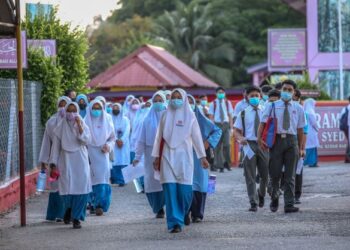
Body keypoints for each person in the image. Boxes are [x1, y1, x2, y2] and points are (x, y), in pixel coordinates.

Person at [152, 88, 209, 233]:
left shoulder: (190, 116)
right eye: (173, 97)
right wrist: (156, 157)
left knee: (185, 192)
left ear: (184, 99)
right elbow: (158, 137)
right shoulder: (165, 115)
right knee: (170, 191)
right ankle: (174, 223)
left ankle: (183, 213)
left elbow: (196, 137)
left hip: (185, 158)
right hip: (166, 157)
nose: (176, 99)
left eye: (179, 97)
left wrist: (202, 156)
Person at [258, 80, 306, 213]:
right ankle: (274, 199)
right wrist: (259, 140)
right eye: (285, 89)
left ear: (294, 92)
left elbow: (301, 129)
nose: (287, 92)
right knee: (275, 174)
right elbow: (262, 123)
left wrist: (301, 148)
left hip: (292, 142)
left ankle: (289, 204)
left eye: (290, 90)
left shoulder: (299, 108)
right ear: (281, 90)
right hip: (276, 142)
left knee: (290, 175)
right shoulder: (272, 106)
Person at [49, 101, 92, 229]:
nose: (71, 113)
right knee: (66, 187)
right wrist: (53, 164)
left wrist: (79, 126)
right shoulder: (60, 128)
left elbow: (86, 140)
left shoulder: (83, 124)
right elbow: (55, 147)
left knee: (82, 187)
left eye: (74, 111)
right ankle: (68, 208)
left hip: (80, 159)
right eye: (69, 111)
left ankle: (77, 218)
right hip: (65, 160)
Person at [233, 86, 268, 212]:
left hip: (263, 145)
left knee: (265, 175)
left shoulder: (266, 111)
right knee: (250, 176)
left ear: (260, 97)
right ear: (246, 97)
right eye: (251, 96)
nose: (254, 98)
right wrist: (240, 138)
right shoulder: (242, 113)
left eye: (256, 96)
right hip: (249, 145)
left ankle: (261, 193)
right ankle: (253, 202)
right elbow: (236, 131)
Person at [187, 95, 221, 223]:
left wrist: (208, 142)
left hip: (199, 156)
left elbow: (217, 131)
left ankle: (198, 213)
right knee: (187, 183)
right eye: (187, 102)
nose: (189, 105)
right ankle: (186, 211)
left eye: (191, 102)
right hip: (183, 156)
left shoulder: (201, 119)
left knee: (200, 184)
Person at [133, 91, 167, 218]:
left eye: (160, 100)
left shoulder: (169, 117)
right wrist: (137, 157)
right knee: (151, 181)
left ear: (164, 102)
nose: (158, 103)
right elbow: (141, 140)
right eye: (155, 101)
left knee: (165, 180)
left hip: (166, 153)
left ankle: (165, 204)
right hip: (150, 154)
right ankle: (157, 208)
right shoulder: (147, 119)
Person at [39, 96, 70, 222]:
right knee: (55, 185)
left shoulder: (74, 121)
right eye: (60, 105)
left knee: (68, 184)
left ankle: (67, 214)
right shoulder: (51, 122)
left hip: (70, 157)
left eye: (65, 105)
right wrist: (44, 161)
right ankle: (55, 214)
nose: (63, 108)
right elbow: (46, 143)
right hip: (55, 158)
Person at [84, 100, 115, 216]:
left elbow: (112, 138)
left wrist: (108, 146)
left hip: (103, 154)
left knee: (102, 179)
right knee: (91, 179)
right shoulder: (85, 120)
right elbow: (81, 138)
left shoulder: (107, 119)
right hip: (89, 153)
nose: (96, 111)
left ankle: (100, 205)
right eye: (94, 108)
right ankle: (91, 204)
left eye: (98, 108)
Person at [208, 87, 234, 172]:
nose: (221, 94)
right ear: (216, 94)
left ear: (225, 93)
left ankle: (227, 162)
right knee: (217, 147)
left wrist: (231, 127)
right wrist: (212, 128)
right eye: (219, 92)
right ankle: (220, 165)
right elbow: (211, 116)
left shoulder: (227, 103)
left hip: (226, 125)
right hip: (217, 125)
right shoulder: (213, 104)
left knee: (227, 145)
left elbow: (230, 115)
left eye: (222, 92)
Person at [111, 103, 131, 186]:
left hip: (124, 144)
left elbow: (127, 130)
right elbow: (110, 130)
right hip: (114, 143)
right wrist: (116, 139)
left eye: (117, 107)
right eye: (114, 107)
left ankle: (123, 180)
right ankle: (116, 179)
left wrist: (122, 140)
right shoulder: (110, 119)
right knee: (115, 161)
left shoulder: (126, 119)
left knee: (123, 160)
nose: (115, 109)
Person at [303, 98, 319, 168]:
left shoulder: (305, 110)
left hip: (307, 132)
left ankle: (311, 162)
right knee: (312, 147)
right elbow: (314, 123)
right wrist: (317, 128)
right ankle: (312, 162)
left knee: (309, 147)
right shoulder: (310, 111)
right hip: (311, 132)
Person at [340, 97, 350, 163]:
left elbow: (340, 118)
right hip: (348, 127)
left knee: (349, 142)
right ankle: (348, 157)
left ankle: (347, 158)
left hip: (346, 127)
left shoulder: (345, 108)